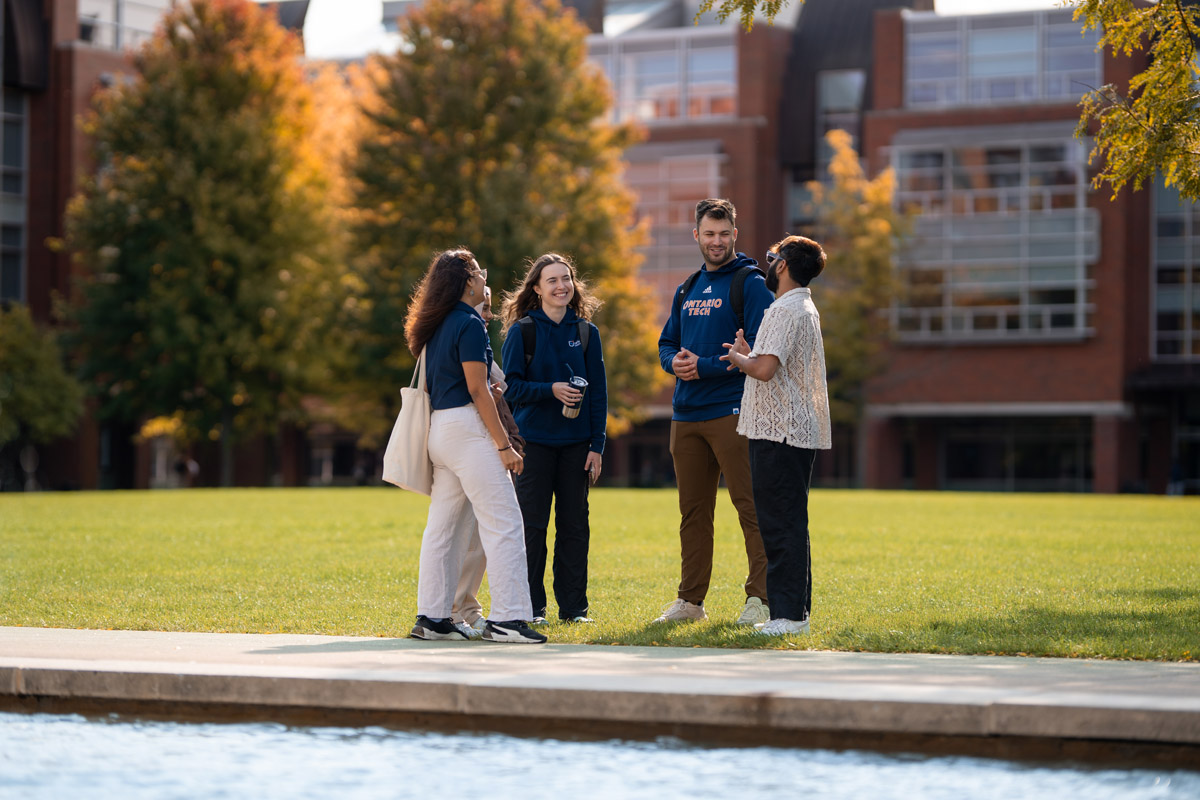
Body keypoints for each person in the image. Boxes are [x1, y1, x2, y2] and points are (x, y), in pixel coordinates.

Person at [403, 248, 545, 644]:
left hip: (441, 431)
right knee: (504, 522)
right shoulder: (469, 323)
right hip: (468, 429)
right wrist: (504, 445)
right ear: (468, 282)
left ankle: (431, 617)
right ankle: (508, 618)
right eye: (481, 273)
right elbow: (478, 390)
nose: (485, 279)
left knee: (443, 529)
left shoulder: (439, 323)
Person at [653, 198, 776, 626]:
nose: (717, 241)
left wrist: (701, 367)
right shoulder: (686, 288)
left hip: (732, 411)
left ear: (735, 235)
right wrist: (673, 363)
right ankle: (690, 602)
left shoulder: (750, 284)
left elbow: (760, 350)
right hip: (685, 415)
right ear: (697, 236)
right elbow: (666, 343)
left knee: (750, 507)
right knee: (693, 513)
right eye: (709, 234)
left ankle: (760, 598)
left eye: (724, 234)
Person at [720, 235, 832, 636]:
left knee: (779, 524)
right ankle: (795, 613)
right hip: (789, 429)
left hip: (779, 431)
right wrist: (750, 355)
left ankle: (787, 617)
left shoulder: (785, 308)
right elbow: (770, 363)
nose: (768, 264)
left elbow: (764, 369)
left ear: (782, 264)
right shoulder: (802, 305)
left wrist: (738, 359)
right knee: (789, 522)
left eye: (771, 258)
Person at [501, 253, 608, 625]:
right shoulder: (523, 331)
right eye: (552, 280)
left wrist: (597, 445)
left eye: (567, 279)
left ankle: (574, 610)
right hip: (533, 444)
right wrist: (552, 390)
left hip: (577, 445)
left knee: (575, 527)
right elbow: (510, 388)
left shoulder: (586, 333)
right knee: (532, 527)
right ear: (537, 289)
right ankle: (532, 608)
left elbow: (598, 393)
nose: (562, 286)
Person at [450, 286, 526, 639]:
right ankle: (461, 611)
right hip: (472, 443)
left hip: (473, 440)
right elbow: (475, 391)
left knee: (477, 535)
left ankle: (464, 607)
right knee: (471, 532)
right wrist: (503, 446)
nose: (489, 313)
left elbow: (492, 388)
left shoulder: (474, 334)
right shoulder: (463, 329)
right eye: (485, 305)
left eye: (491, 307)